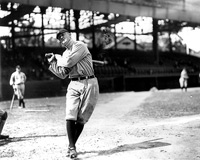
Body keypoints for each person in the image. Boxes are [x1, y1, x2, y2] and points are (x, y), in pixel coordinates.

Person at [45, 29, 99, 159]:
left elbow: (68, 62)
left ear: (70, 35)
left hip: (89, 82)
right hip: (74, 83)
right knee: (70, 113)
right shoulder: (65, 54)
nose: (61, 38)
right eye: (59, 38)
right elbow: (62, 74)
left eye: (63, 35)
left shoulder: (79, 45)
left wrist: (58, 57)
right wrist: (53, 62)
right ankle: (72, 147)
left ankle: (71, 145)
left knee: (82, 118)